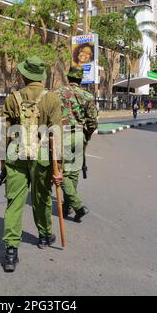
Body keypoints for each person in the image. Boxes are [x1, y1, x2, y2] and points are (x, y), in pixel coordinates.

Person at [0, 56, 63, 272]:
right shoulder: (52, 99)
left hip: (15, 156)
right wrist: (59, 169)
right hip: (43, 157)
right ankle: (44, 236)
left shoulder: (12, 98)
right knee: (41, 198)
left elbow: (5, 134)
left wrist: (2, 164)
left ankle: (10, 252)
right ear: (41, 77)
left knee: (14, 203)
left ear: (25, 75)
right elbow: (56, 135)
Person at [56, 66, 98, 223]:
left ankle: (78, 206)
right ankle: (68, 206)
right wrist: (86, 135)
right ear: (80, 79)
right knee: (73, 173)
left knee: (63, 173)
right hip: (79, 135)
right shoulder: (87, 95)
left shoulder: (56, 94)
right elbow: (93, 122)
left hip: (63, 135)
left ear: (68, 77)